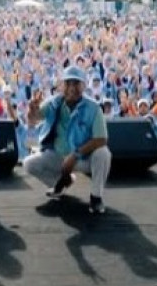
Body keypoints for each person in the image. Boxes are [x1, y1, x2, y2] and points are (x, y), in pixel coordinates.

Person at [23, 65, 112, 214]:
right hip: (58, 155)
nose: (71, 88)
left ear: (83, 86)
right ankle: (62, 183)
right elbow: (33, 120)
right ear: (61, 85)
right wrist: (32, 110)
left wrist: (75, 155)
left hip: (84, 158)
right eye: (68, 83)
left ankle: (96, 198)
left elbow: (101, 139)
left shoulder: (93, 108)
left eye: (76, 83)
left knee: (103, 153)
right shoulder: (54, 102)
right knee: (29, 164)